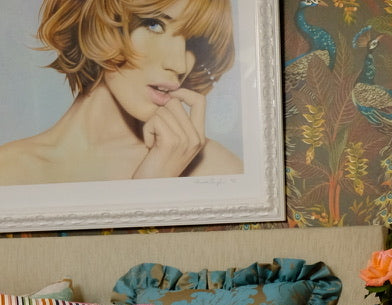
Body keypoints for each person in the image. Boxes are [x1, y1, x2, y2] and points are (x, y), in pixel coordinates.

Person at [0, 0, 243, 184]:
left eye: (192, 42)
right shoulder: (8, 169)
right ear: (97, 22)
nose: (179, 64)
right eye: (154, 23)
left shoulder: (219, 169)